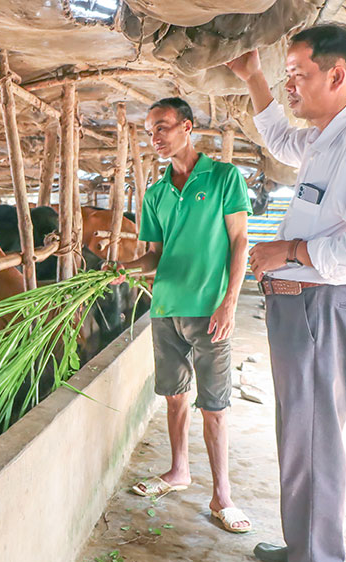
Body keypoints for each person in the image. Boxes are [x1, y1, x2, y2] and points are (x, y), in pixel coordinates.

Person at [226, 24, 346, 562]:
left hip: (325, 307)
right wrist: (253, 78)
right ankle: (303, 545)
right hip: (301, 305)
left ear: (337, 75)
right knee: (298, 433)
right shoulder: (327, 136)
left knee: (317, 438)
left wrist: (289, 252)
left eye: (297, 75)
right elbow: (279, 138)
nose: (291, 86)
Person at [116, 97, 253, 534]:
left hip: (210, 310)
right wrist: (125, 270)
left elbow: (239, 242)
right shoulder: (154, 193)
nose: (155, 137)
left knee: (214, 405)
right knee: (175, 396)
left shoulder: (224, 177)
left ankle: (222, 496)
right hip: (165, 308)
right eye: (151, 130)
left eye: (163, 127)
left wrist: (229, 301)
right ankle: (178, 471)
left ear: (187, 127)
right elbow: (153, 257)